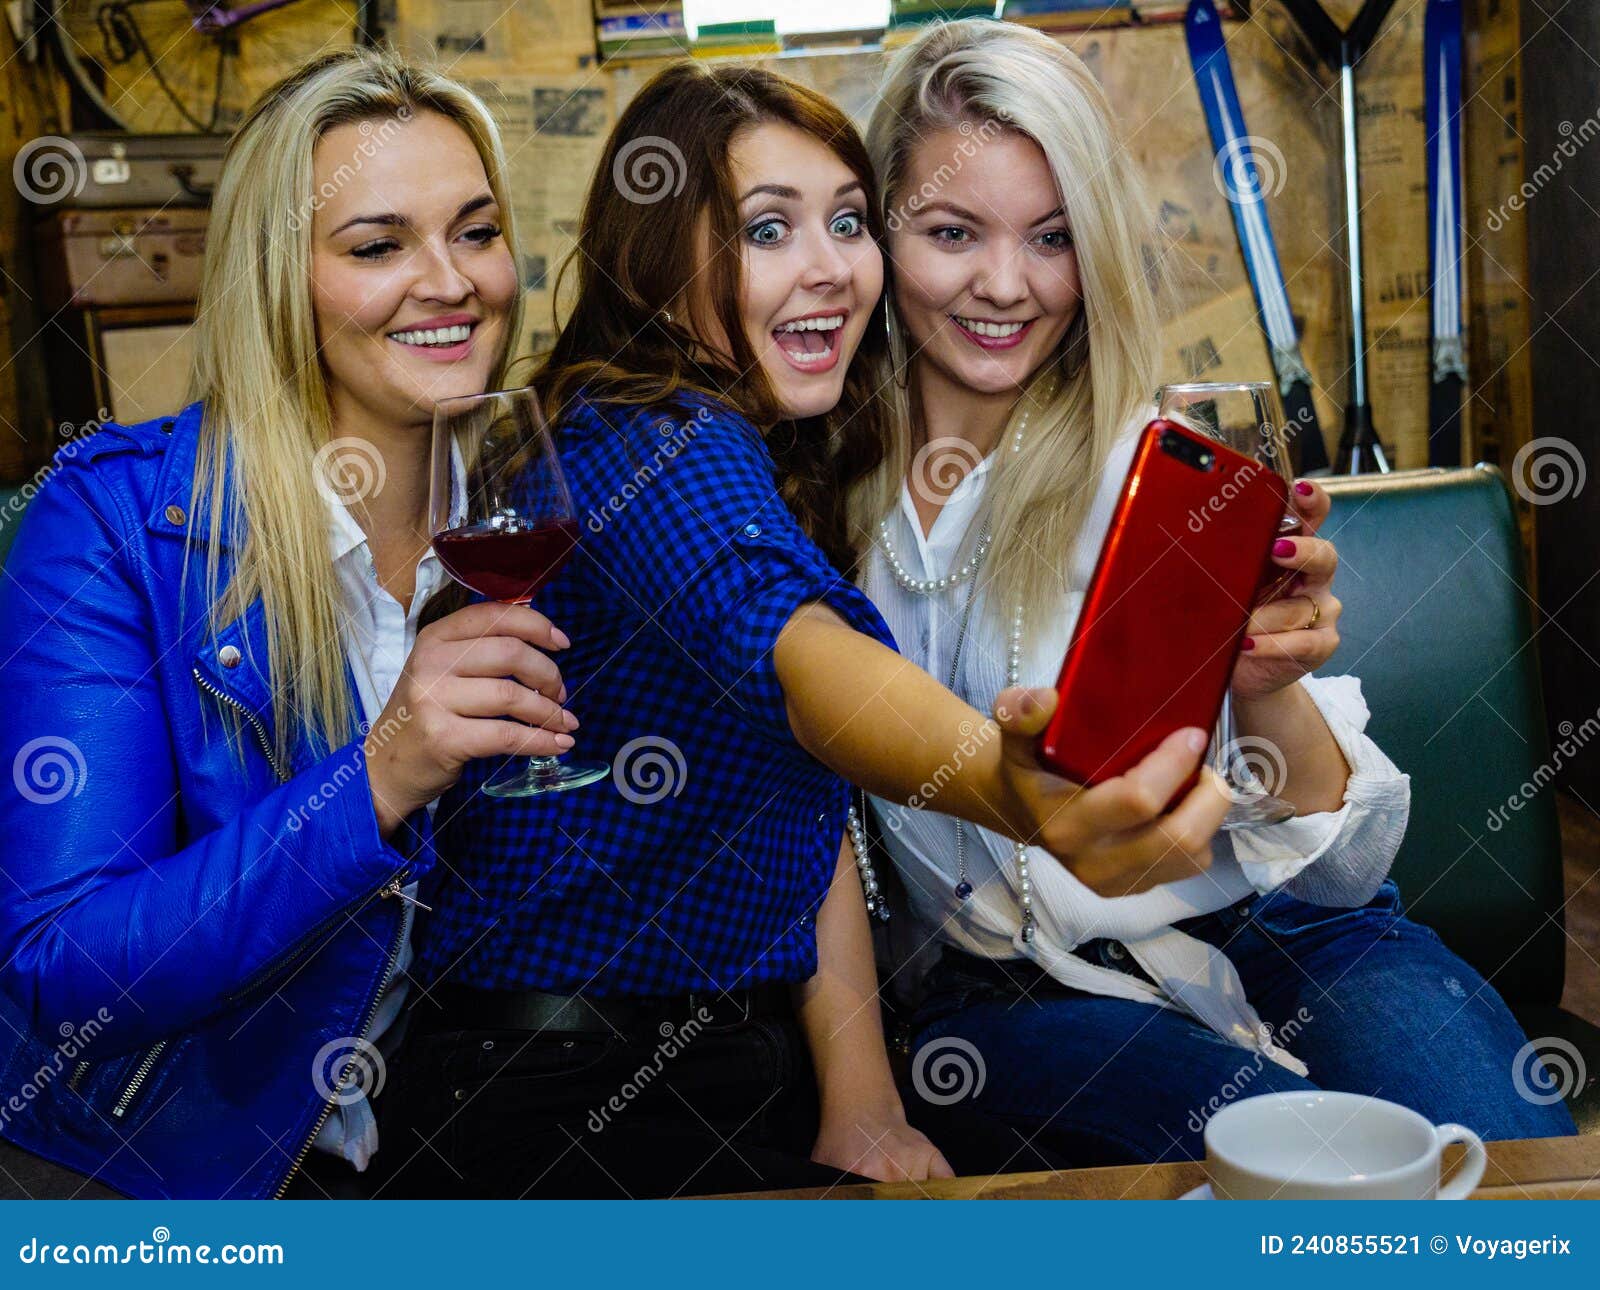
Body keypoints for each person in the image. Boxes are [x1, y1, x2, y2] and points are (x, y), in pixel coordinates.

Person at [394, 58, 1236, 1198]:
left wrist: (861, 1094)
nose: (832, 268)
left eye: (846, 221)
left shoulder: (755, 442)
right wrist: (1020, 789)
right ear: (660, 255)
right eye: (767, 229)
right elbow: (800, 657)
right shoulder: (658, 437)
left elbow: (813, 778)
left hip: (708, 1059)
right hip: (554, 1093)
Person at [852, 17, 1577, 1164]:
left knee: (1505, 1190)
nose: (1005, 284)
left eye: (1053, 237)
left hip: (1296, 935)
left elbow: (1345, 869)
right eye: (951, 232)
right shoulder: (812, 506)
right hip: (1008, 998)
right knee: (1284, 1178)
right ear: (875, 234)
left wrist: (1268, 685)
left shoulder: (1161, 472)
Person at [0, 49, 576, 1198]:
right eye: (377, 247)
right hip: (148, 1167)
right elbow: (60, 969)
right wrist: (378, 774)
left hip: (424, 1142)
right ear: (279, 280)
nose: (451, 281)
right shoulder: (113, 521)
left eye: (474, 231)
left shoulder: (512, 502)